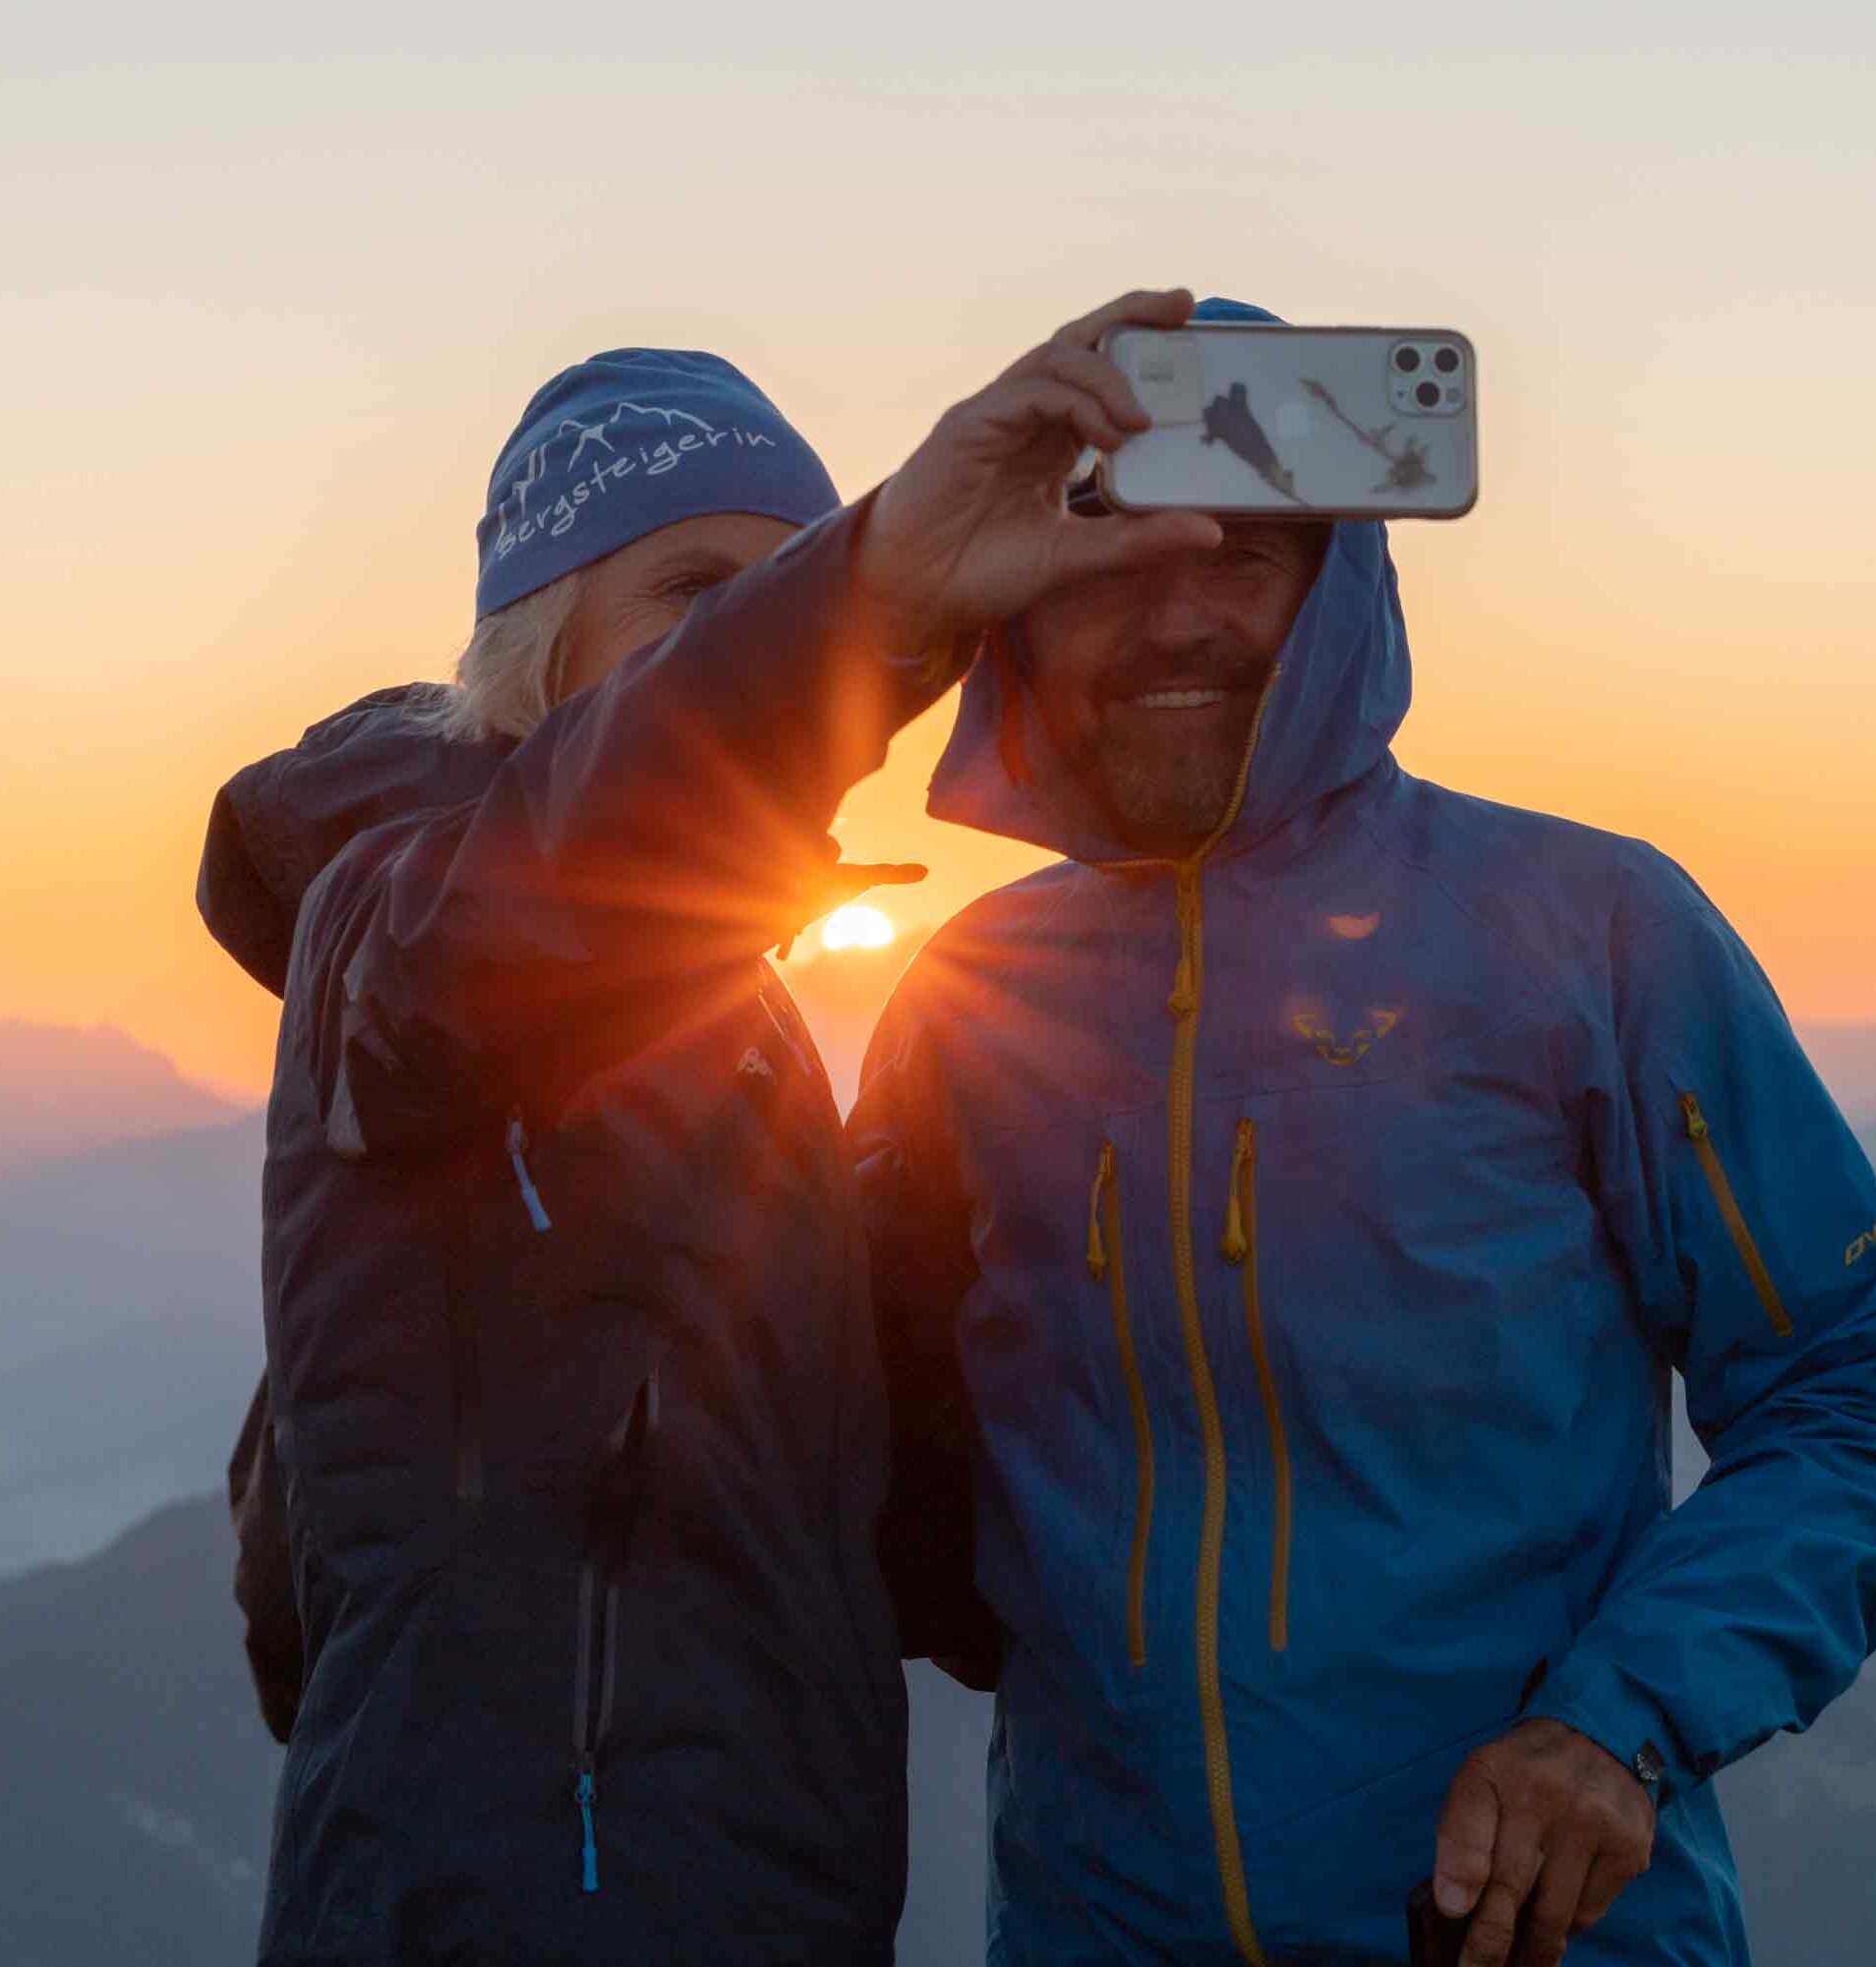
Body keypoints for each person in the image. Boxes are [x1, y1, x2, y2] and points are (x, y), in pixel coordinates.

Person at [853, 297, 1876, 1967]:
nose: (1172, 615)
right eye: (1100, 564)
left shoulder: (1590, 930)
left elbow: (1851, 1397)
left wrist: (1619, 1721)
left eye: (1240, 553)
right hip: (1095, 1924)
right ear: (1017, 613)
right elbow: (874, 1432)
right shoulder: (967, 999)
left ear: (1338, 587)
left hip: (1528, 1935)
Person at [195, 290, 1222, 1965]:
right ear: (540, 647)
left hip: (760, 1896)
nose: (732, 636)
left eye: (775, 583)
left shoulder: (715, 1010)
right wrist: (869, 599)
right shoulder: (397, 913)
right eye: (685, 594)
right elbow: (533, 910)